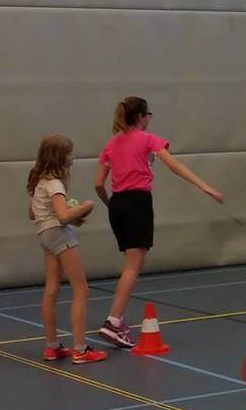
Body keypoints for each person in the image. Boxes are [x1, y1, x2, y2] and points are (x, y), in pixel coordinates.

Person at [92, 96, 223, 348]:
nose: (150, 119)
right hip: (137, 203)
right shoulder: (148, 139)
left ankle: (116, 320)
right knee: (133, 267)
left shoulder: (111, 143)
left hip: (117, 203)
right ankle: (113, 321)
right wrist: (205, 187)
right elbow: (174, 165)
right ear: (141, 117)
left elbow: (98, 183)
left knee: (129, 264)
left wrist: (111, 204)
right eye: (149, 115)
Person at [28, 134, 103, 364]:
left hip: (44, 235)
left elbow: (33, 213)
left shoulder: (39, 181)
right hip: (59, 235)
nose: (72, 157)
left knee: (51, 289)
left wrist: (71, 215)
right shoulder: (54, 183)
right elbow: (62, 216)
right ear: (60, 157)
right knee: (81, 289)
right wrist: (86, 207)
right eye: (69, 153)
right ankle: (81, 349)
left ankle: (52, 346)